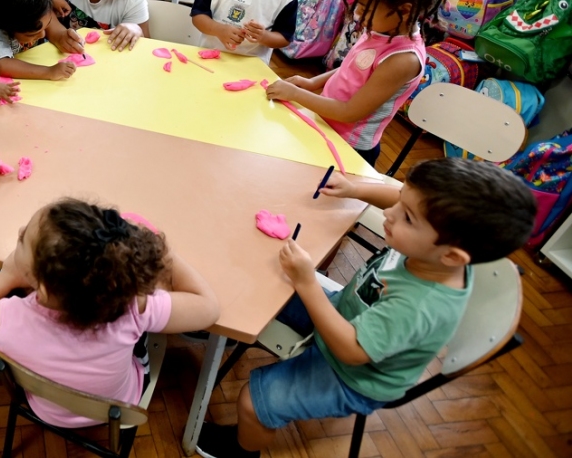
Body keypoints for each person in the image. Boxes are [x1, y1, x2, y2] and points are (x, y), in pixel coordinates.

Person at [195, 157, 537, 458]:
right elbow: (401, 197)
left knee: (252, 404)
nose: (389, 214)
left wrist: (307, 282)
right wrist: (353, 188)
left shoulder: (420, 306)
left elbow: (351, 351)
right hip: (347, 316)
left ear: (450, 255)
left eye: (406, 217)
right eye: (400, 203)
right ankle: (210, 325)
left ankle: (240, 451)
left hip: (354, 375)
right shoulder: (434, 249)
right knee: (259, 284)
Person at [0, 197, 221, 428]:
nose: (19, 231)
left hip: (47, 409)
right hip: (117, 408)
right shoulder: (132, 306)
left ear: (42, 289)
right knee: (143, 329)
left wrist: (4, 277)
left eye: (22, 238)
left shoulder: (4, 319)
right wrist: (158, 247)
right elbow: (209, 309)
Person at [264, 0, 451, 167]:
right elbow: (351, 68)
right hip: (325, 124)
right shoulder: (382, 29)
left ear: (405, 11)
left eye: (366, 7)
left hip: (349, 148)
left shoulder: (402, 60)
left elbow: (349, 112)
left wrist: (295, 93)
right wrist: (311, 82)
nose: (358, 13)